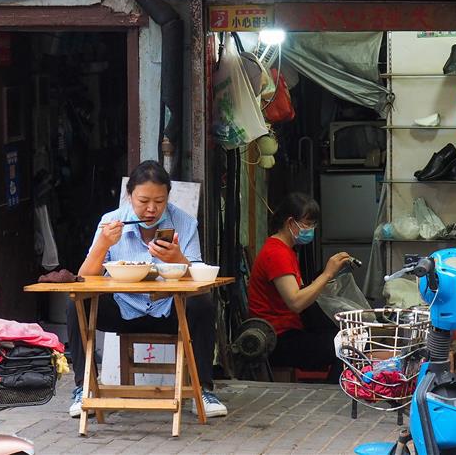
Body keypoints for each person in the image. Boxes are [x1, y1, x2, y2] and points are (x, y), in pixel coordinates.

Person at [65, 160, 227, 419]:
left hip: (169, 312)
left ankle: (205, 390)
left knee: (203, 304)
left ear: (168, 198)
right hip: (123, 308)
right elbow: (85, 277)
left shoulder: (183, 223)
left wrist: (178, 261)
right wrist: (103, 244)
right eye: (143, 201)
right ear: (130, 196)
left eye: (159, 201)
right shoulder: (111, 222)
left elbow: (198, 279)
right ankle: (83, 389)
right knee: (76, 302)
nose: (151, 209)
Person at [247, 193, 352, 376]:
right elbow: (295, 302)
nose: (311, 229)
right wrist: (327, 273)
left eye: (313, 224)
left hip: (290, 330)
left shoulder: (286, 251)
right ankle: (335, 395)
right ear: (290, 223)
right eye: (307, 224)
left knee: (346, 334)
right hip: (277, 339)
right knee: (347, 344)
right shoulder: (276, 254)